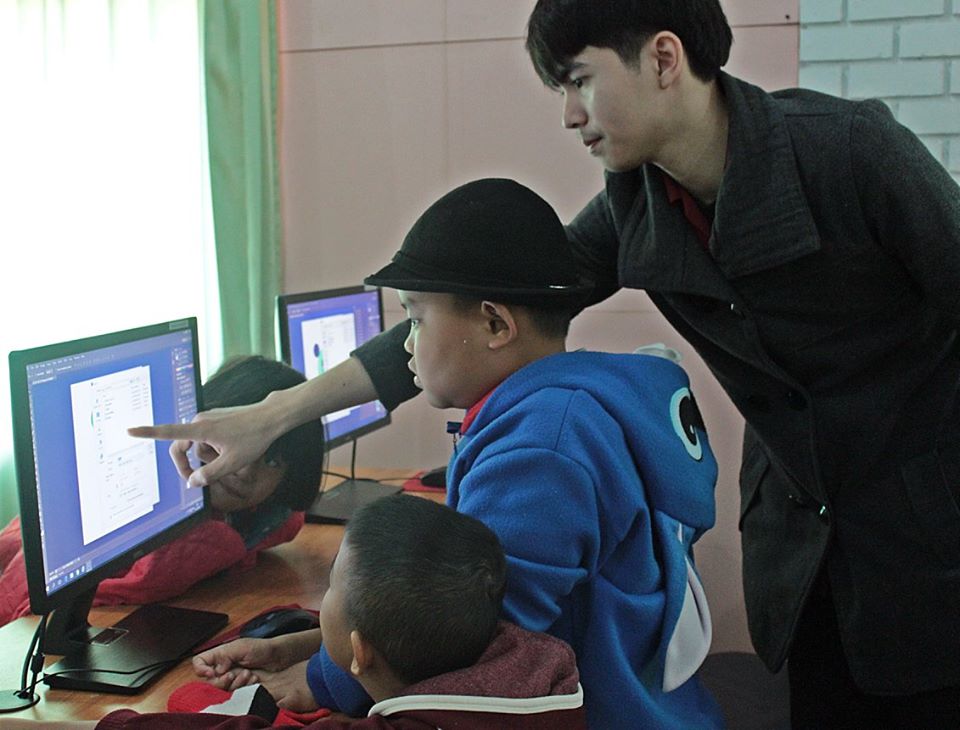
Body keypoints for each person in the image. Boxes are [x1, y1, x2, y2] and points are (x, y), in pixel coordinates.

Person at [129, 1, 960, 726]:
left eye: (579, 80)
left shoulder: (849, 154)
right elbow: (490, 299)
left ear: (663, 59)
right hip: (804, 544)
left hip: (925, 531)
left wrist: (320, 670)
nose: (569, 115)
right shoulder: (639, 205)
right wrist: (273, 415)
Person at [166, 178, 722, 729]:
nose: (407, 344)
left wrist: (322, 680)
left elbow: (466, 640)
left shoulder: (542, 448)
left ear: (495, 324)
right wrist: (310, 645)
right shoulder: (562, 412)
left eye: (415, 318)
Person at [6, 494, 587, 729]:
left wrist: (98, 724)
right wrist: (291, 645)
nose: (320, 603)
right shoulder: (534, 675)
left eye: (330, 589)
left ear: (358, 652)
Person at [0, 355, 325, 626]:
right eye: (229, 442)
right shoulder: (152, 499)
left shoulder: (272, 517)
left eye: (272, 461)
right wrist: (223, 545)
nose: (244, 470)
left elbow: (289, 517)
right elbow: (34, 602)